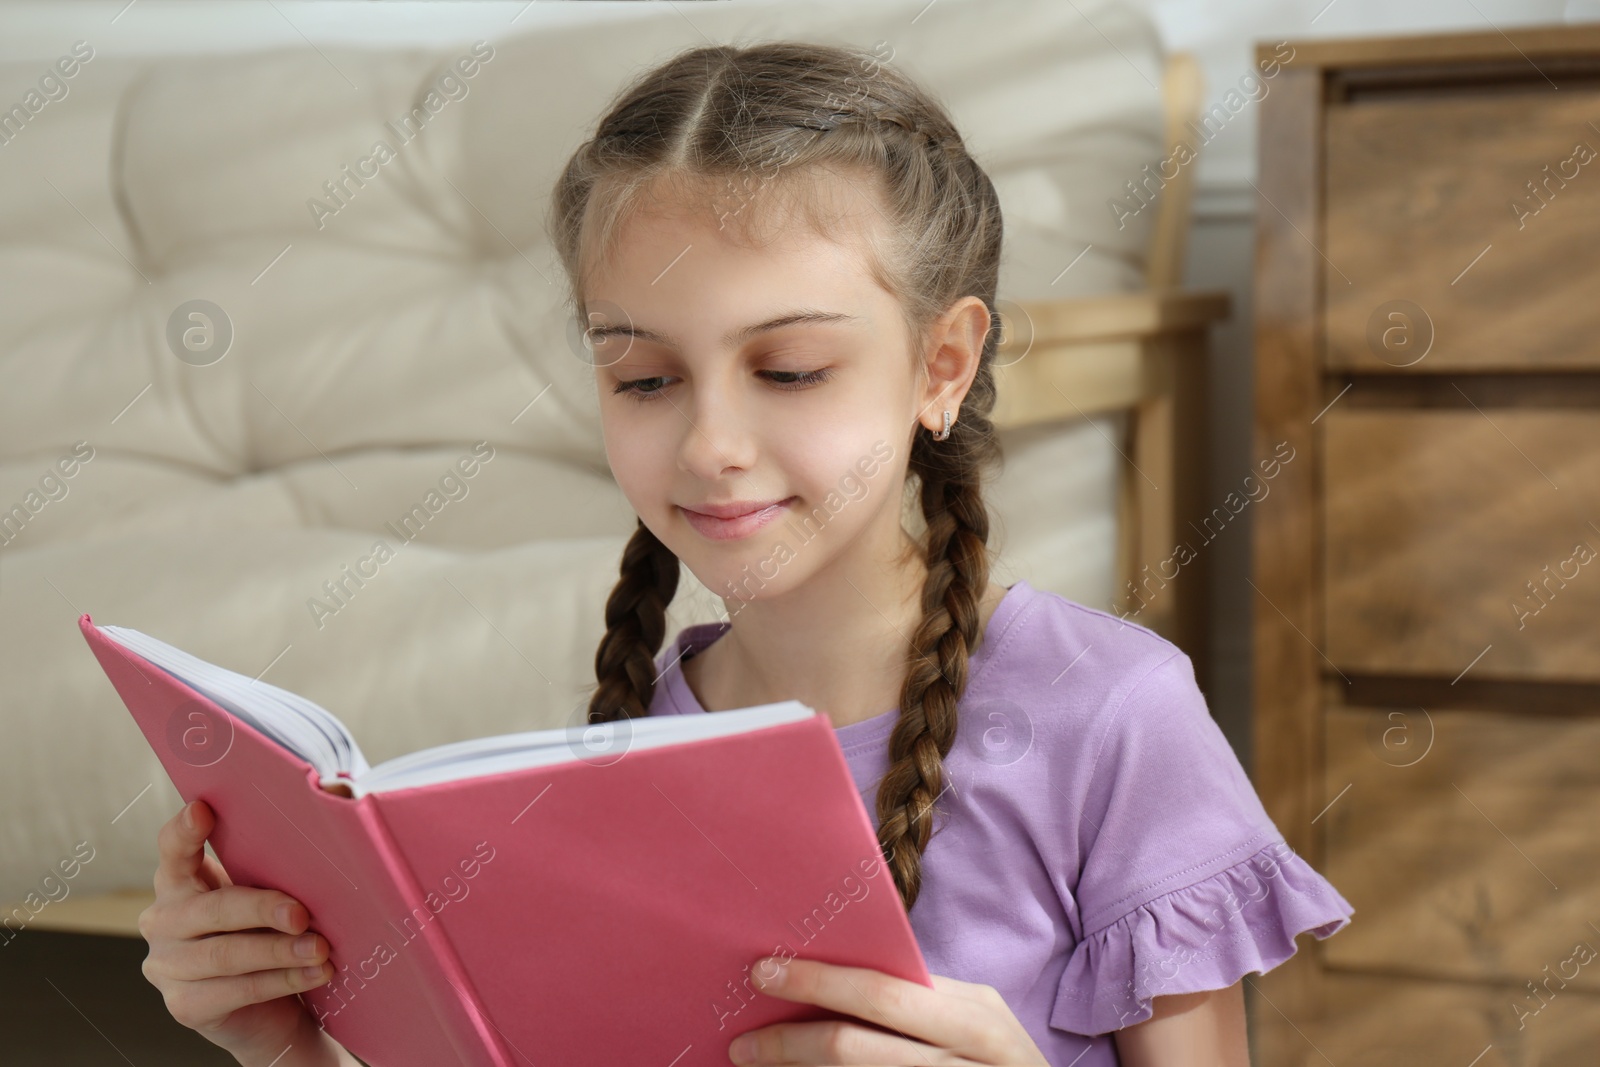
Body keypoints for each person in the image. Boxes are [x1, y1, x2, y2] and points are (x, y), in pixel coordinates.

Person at [137, 40, 1353, 1067]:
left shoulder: (1113, 716)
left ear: (942, 364)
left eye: (788, 370)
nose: (711, 444)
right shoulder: (634, 736)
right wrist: (289, 1044)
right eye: (645, 375)